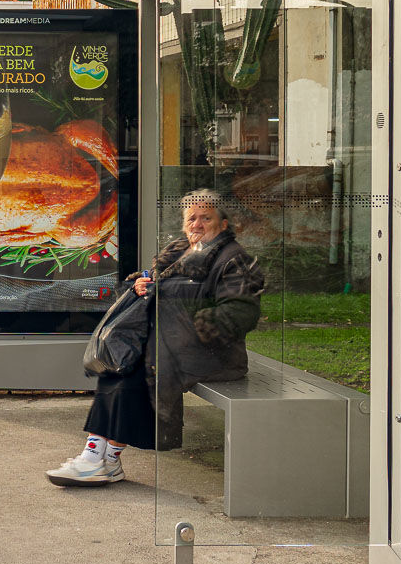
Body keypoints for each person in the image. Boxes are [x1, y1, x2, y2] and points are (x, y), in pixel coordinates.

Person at [47, 189, 265, 486]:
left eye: (206, 218)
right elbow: (157, 289)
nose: (197, 224)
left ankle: (100, 458)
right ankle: (100, 457)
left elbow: (241, 313)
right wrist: (139, 285)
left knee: (139, 363)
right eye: (191, 218)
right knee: (123, 360)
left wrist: (184, 318)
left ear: (223, 224)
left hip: (214, 353)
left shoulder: (234, 259)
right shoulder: (179, 250)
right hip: (169, 342)